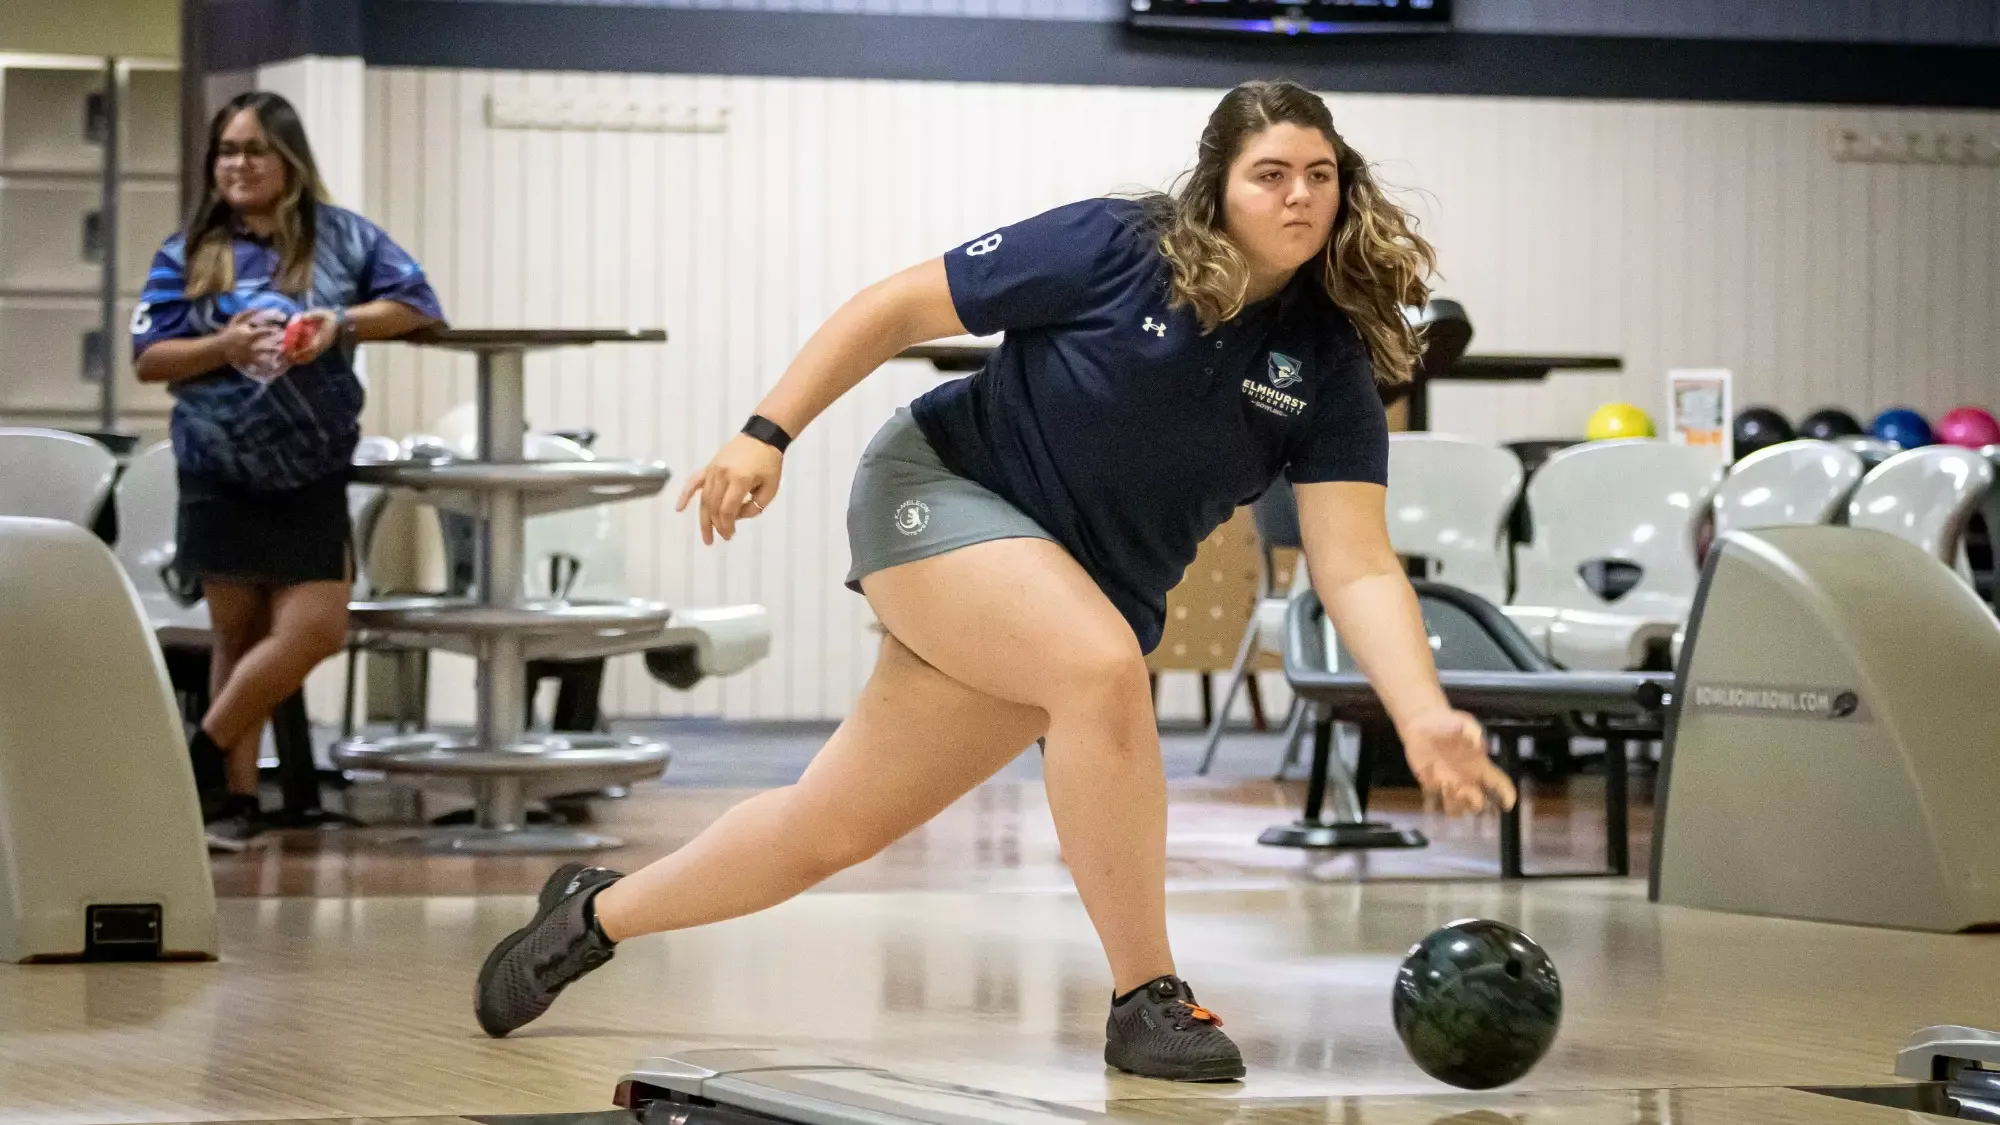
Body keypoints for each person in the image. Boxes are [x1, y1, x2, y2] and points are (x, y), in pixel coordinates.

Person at [473, 79, 1514, 1081]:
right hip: (939, 491)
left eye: (1318, 174)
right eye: (1269, 173)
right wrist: (764, 433)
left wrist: (1419, 715)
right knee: (1102, 670)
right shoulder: (1114, 246)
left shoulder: (1323, 362)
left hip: (1068, 582)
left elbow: (1356, 563)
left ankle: (592, 915)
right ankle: (1145, 998)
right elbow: (889, 310)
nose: (1297, 196)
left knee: (823, 830)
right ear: (1216, 188)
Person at [133, 92, 443, 848]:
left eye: (254, 150)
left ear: (289, 161)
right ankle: (230, 803)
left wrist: (342, 323)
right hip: (220, 472)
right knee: (235, 642)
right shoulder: (189, 252)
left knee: (314, 630)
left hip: (311, 472)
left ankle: (197, 756)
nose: (238, 164)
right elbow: (148, 358)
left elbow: (419, 304)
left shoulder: (343, 241)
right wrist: (225, 347)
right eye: (227, 151)